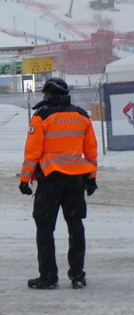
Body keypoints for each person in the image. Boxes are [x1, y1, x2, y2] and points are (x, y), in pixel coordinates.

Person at [18, 77, 97, 290]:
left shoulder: (41, 116)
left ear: (49, 94)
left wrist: (25, 180)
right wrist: (91, 178)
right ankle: (78, 276)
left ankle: (49, 277)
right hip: (76, 180)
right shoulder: (81, 115)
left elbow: (32, 153)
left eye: (44, 94)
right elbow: (90, 151)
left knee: (44, 228)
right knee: (75, 226)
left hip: (51, 178)